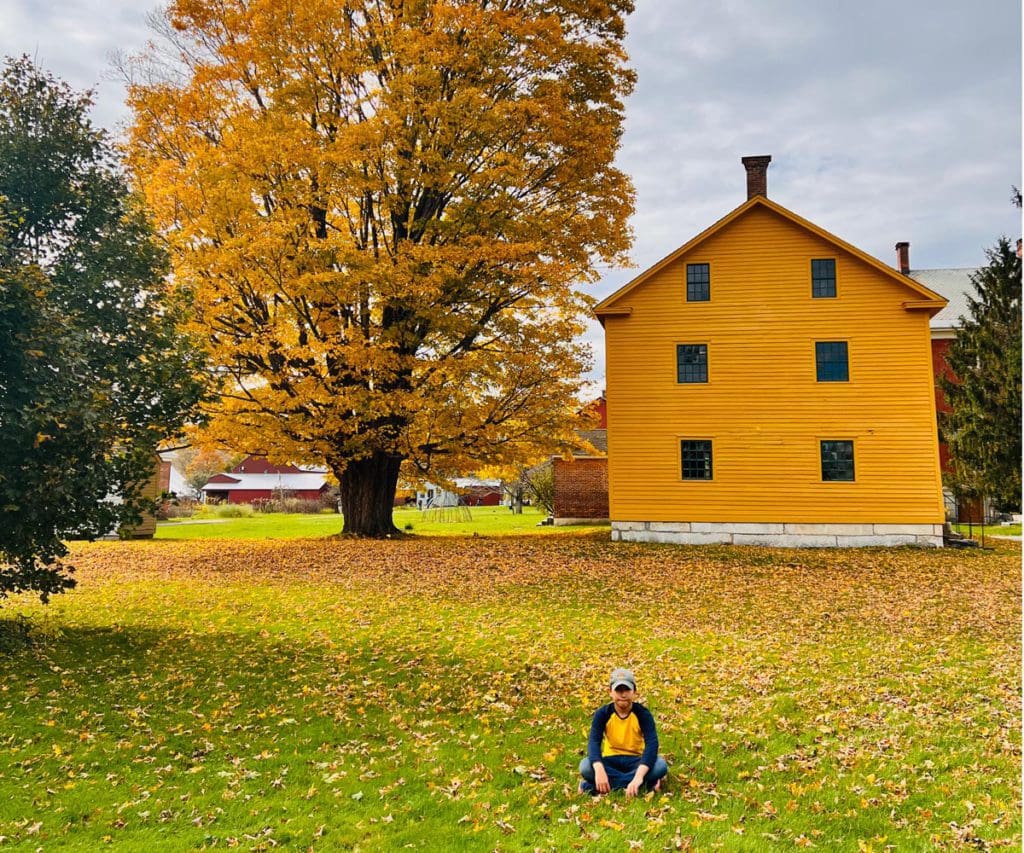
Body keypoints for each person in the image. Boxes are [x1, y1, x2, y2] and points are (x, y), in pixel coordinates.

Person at [579, 668, 668, 796]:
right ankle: (647, 785)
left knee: (660, 766)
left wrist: (638, 777)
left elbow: (652, 745)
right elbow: (594, 742)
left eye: (627, 689)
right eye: (618, 690)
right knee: (586, 766)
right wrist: (599, 770)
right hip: (610, 760)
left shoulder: (643, 714)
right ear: (610, 692)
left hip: (636, 761)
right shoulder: (602, 714)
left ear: (634, 691)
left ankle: (592, 786)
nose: (623, 694)